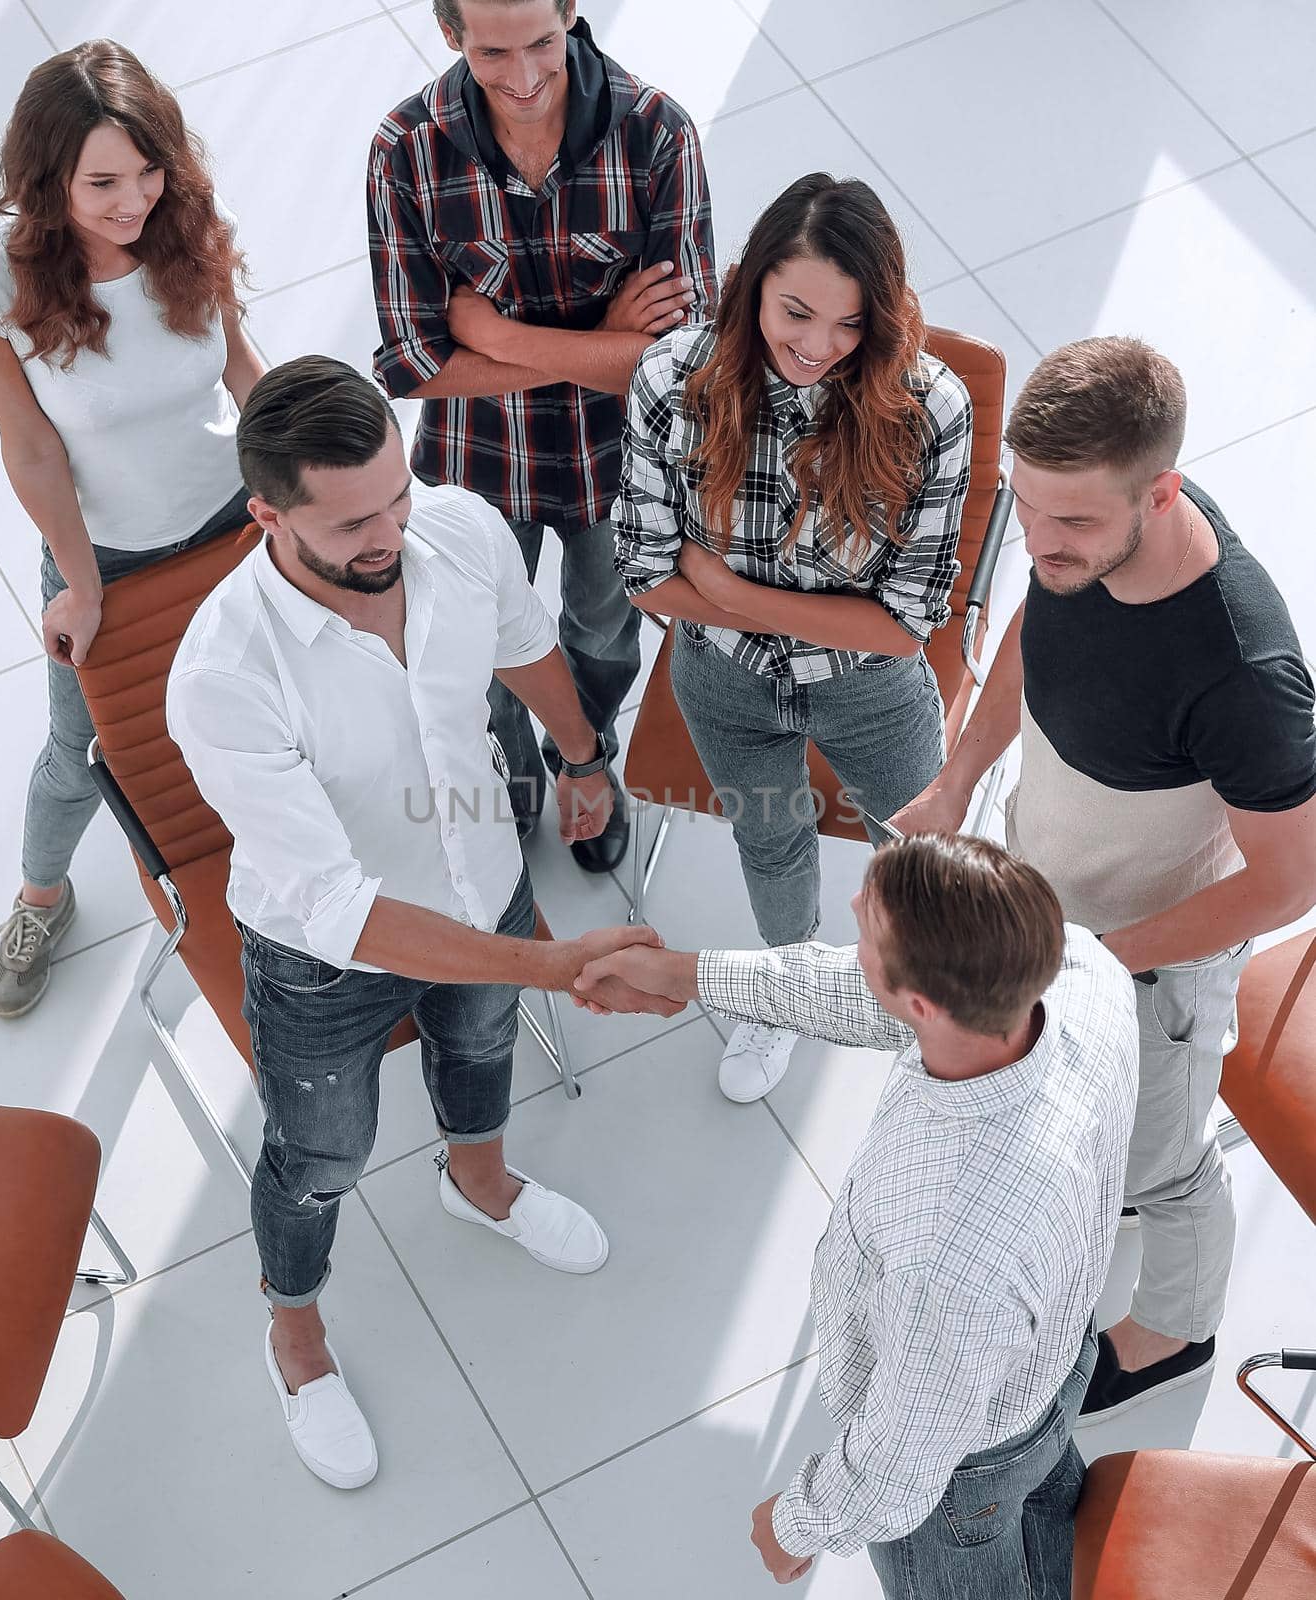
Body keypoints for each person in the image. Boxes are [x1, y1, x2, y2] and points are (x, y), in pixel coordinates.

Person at [168, 357, 671, 1490]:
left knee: (481, 1047)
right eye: (352, 521)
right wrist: (549, 958)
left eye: (395, 495)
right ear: (266, 513)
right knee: (319, 1155)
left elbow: (522, 642)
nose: (390, 529)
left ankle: (478, 1182)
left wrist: (583, 755)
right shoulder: (222, 676)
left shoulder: (451, 525)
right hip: (321, 959)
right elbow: (342, 909)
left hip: (480, 876)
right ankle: (295, 1339)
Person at [893, 337, 1316, 1421]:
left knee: (1162, 1169)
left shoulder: (1244, 674)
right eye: (1022, 507)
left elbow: (1287, 880)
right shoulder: (1081, 543)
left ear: (1159, 491)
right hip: (1053, 892)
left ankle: (1171, 1327)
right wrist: (954, 785)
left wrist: (1097, 960)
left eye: (1068, 521)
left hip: (1146, 964)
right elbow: (1040, 636)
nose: (1037, 541)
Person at [573, 832, 1138, 1599]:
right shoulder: (1078, 970)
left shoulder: (948, 1253)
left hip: (962, 1476)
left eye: (867, 929)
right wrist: (684, 975)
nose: (848, 909)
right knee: (1052, 1538)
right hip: (1056, 1362)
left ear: (923, 1006)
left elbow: (900, 1467)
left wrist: (792, 1523)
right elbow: (851, 988)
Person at [613, 172, 972, 1104]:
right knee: (770, 847)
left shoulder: (929, 409)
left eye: (851, 325)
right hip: (723, 681)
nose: (818, 348)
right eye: (796, 313)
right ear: (750, 284)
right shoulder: (672, 380)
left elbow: (906, 624)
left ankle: (930, 1001)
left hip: (870, 688)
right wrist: (737, 599)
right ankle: (788, 997)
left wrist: (725, 585)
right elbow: (647, 572)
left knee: (919, 855)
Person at [0, 40, 262, 1019]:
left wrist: (306, 484)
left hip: (231, 515)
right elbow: (31, 447)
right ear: (46, 181)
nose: (134, 201)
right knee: (81, 746)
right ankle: (42, 895)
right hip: (105, 556)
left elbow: (242, 370)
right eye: (103, 183)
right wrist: (79, 586)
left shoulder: (183, 224)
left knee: (257, 706)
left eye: (148, 171)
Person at [367, 0, 716, 872]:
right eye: (491, 53)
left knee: (602, 635)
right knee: (477, 651)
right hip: (476, 458)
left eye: (540, 44)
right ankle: (515, 785)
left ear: (571, 12)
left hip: (621, 460)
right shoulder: (405, 151)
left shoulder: (657, 135)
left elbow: (683, 363)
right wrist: (607, 341)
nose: (522, 79)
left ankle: (583, 765)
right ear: (450, 35)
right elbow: (413, 364)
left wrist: (500, 336)